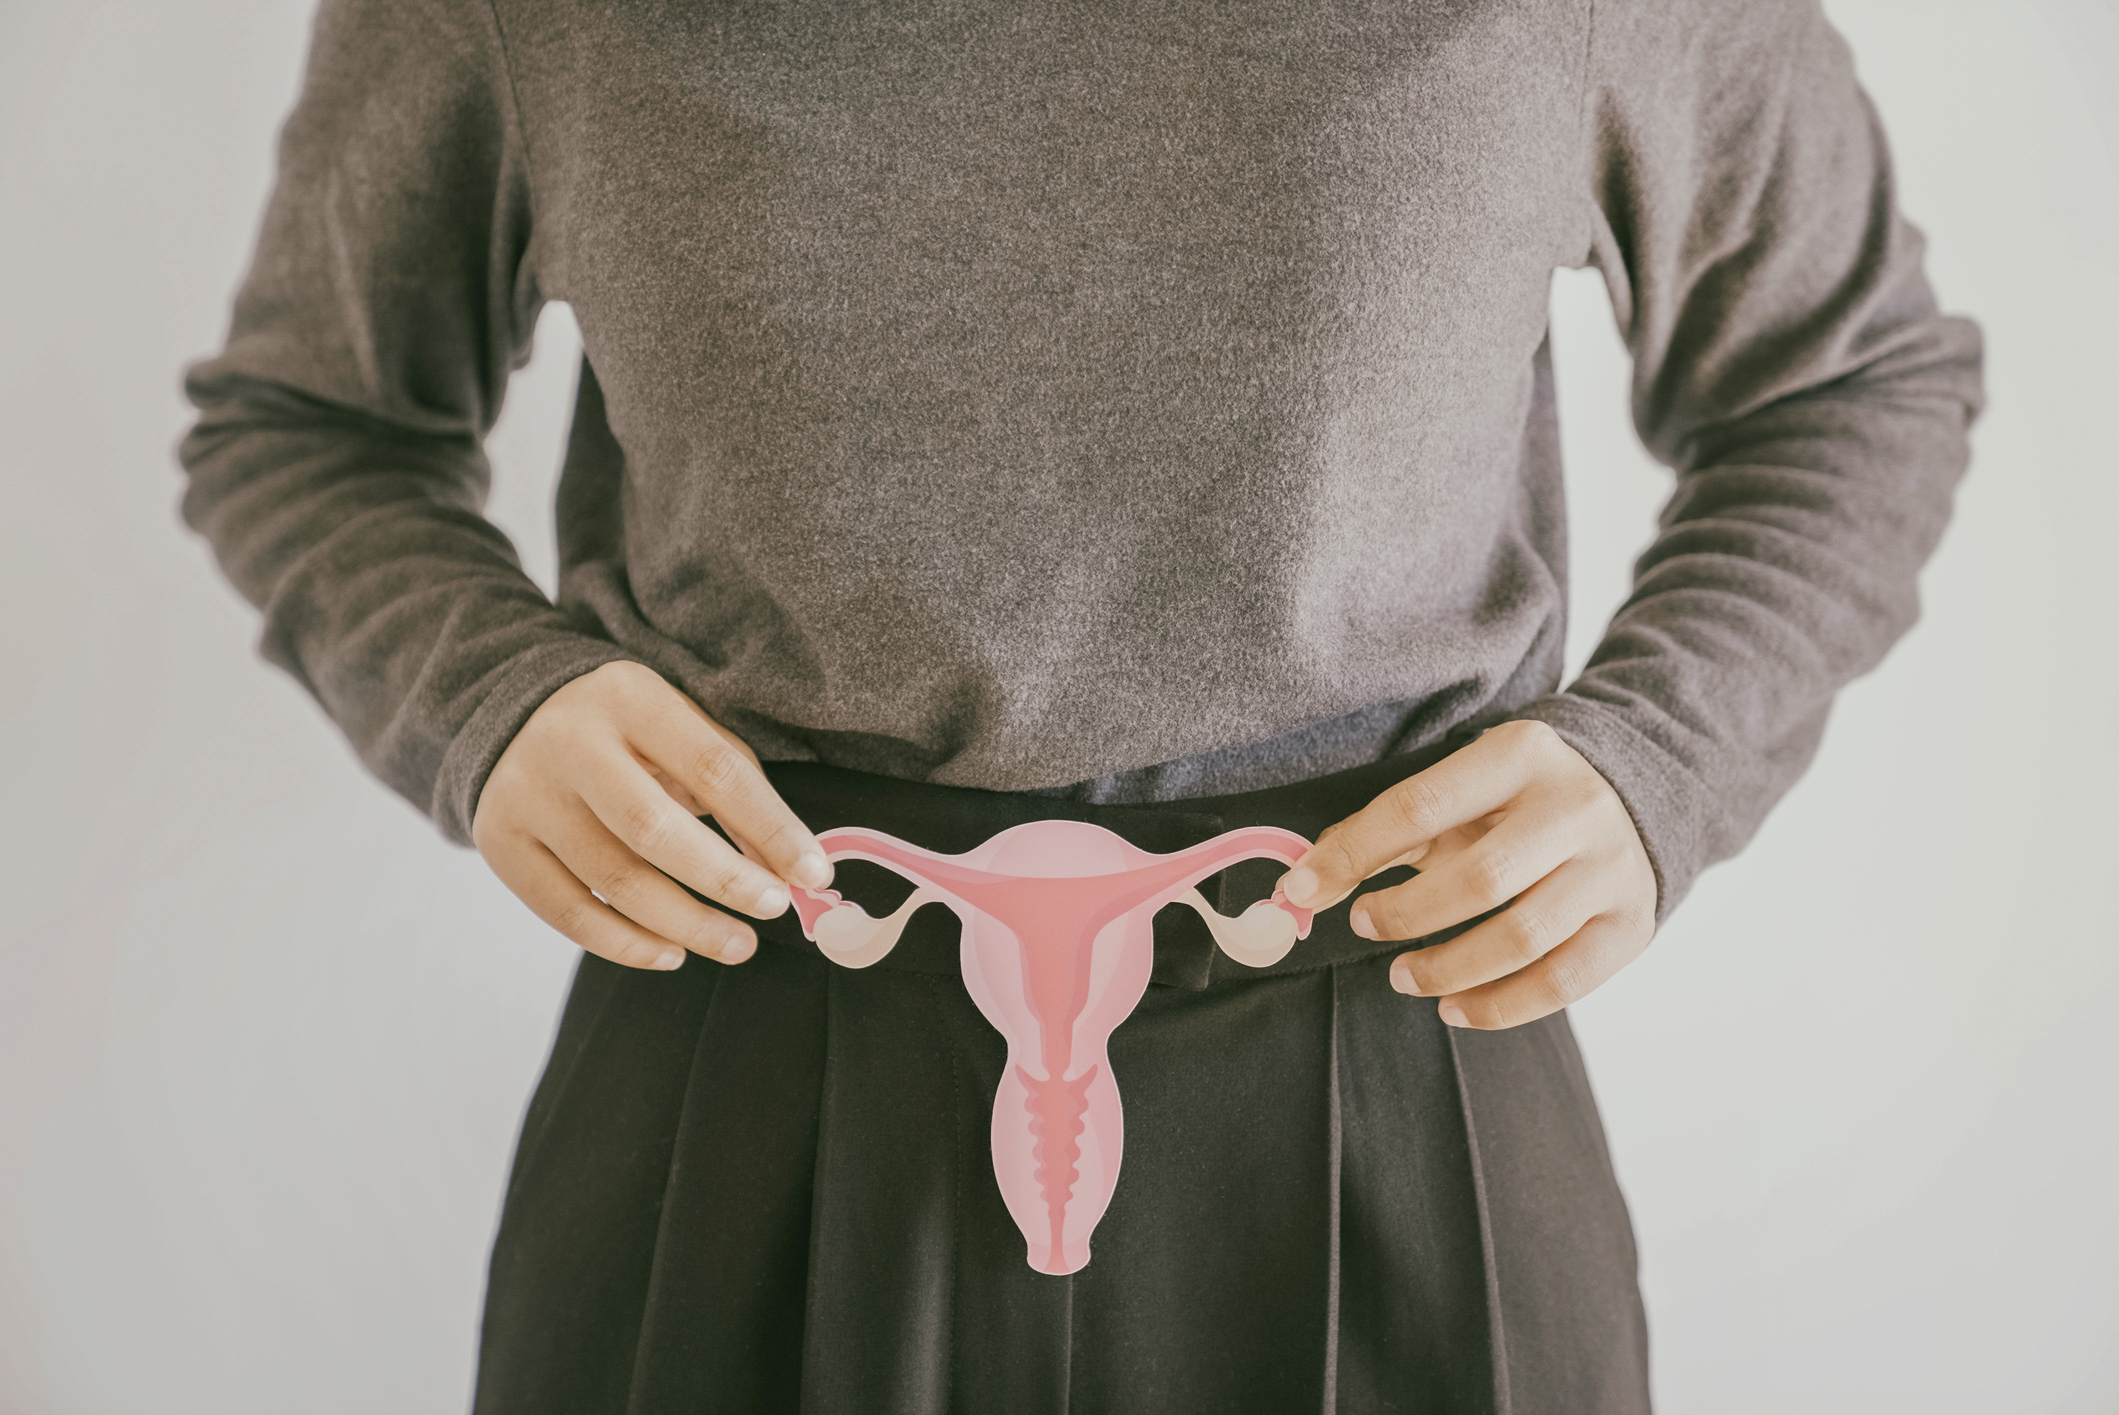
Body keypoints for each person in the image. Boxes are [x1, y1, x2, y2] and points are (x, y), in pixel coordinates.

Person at [174, 0, 1983, 1409]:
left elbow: (1852, 382)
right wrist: (483, 699)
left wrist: (1662, 751)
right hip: (745, 1084)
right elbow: (309, 421)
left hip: (1393, 1079)